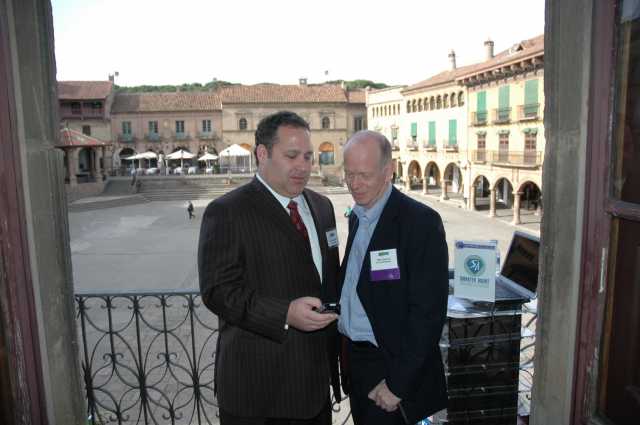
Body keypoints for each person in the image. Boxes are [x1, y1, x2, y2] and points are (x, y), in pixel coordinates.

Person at [198, 111, 341, 425]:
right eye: (291, 156)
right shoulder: (227, 211)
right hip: (257, 393)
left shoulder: (322, 206)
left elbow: (329, 277)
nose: (303, 166)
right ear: (262, 154)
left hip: (315, 388)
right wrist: (284, 314)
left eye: (308, 156)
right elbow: (218, 291)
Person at [338, 130, 449, 425]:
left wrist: (398, 384)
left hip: (391, 370)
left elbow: (428, 314)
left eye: (364, 175)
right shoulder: (358, 215)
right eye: (349, 174)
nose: (355, 184)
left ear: (389, 171)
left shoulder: (420, 222)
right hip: (358, 363)